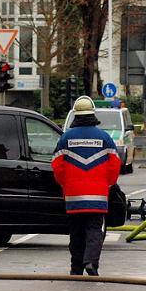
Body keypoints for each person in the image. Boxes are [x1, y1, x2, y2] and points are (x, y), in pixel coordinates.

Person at [52, 96, 121, 276]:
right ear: (93, 114)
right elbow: (115, 165)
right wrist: (108, 183)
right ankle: (91, 262)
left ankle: (76, 268)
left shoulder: (65, 138)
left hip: (74, 196)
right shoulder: (105, 138)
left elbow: (57, 166)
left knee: (76, 232)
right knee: (94, 230)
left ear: (76, 115)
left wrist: (64, 184)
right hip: (97, 196)